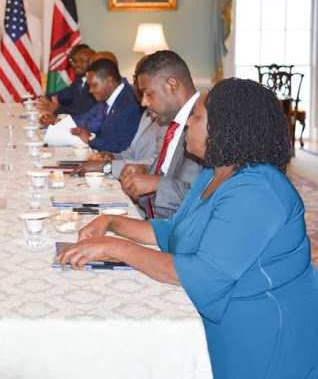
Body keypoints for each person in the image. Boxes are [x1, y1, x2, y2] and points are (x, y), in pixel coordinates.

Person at [57, 79, 318, 378]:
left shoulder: (257, 191)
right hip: (231, 315)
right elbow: (176, 232)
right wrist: (112, 223)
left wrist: (113, 247)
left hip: (264, 335)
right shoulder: (215, 173)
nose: (187, 125)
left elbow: (203, 274)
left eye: (195, 117)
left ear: (223, 128)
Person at [120, 50, 202, 219]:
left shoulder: (205, 124)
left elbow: (207, 197)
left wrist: (155, 184)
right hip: (157, 224)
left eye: (148, 93)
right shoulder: (173, 124)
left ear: (172, 85)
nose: (143, 101)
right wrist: (143, 176)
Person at [73, 55, 166, 178]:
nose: (134, 84)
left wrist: (105, 167)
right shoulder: (147, 113)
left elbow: (154, 165)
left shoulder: (167, 121)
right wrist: (111, 157)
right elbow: (130, 152)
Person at [68, 59, 142, 153]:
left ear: (109, 81)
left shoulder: (130, 104)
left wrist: (90, 139)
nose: (90, 90)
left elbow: (123, 148)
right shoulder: (111, 100)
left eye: (94, 85)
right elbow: (108, 135)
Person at [36, 44, 96, 121]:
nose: (77, 64)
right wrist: (39, 99)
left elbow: (82, 112)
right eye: (75, 61)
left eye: (82, 61)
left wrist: (57, 109)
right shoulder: (79, 81)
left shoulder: (94, 86)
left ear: (93, 63)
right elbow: (62, 95)